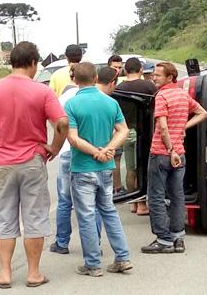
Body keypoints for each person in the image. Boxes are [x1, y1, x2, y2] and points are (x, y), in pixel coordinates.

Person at [0, 41, 68, 288]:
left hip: (4, 164)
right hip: (32, 161)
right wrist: (55, 147)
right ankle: (33, 274)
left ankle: (5, 274)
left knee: (4, 218)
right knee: (34, 217)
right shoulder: (42, 91)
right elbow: (61, 123)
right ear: (33, 63)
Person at [64, 62, 132, 276]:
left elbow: (73, 138)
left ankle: (93, 263)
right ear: (95, 78)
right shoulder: (111, 103)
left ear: (75, 80)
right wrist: (109, 149)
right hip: (106, 167)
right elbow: (123, 130)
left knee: (86, 216)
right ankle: (122, 257)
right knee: (109, 212)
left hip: (83, 167)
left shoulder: (71, 105)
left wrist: (94, 152)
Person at [141, 62, 207, 254]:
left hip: (162, 153)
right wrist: (183, 128)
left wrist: (170, 150)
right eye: (153, 75)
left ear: (170, 77)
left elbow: (162, 127)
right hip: (180, 153)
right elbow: (203, 113)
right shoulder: (182, 95)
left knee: (156, 196)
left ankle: (163, 239)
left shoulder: (161, 96)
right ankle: (178, 237)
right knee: (177, 196)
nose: (153, 78)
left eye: (158, 75)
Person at [50, 64, 102, 254]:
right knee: (94, 203)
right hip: (92, 154)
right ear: (94, 77)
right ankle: (94, 244)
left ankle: (62, 243)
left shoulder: (61, 100)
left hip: (66, 152)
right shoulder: (101, 98)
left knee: (65, 201)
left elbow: (57, 126)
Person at [116, 57, 158, 215]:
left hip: (126, 132)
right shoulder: (148, 85)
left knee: (131, 168)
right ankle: (142, 204)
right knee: (143, 167)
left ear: (125, 70)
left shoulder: (119, 88)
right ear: (140, 70)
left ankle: (133, 202)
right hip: (145, 132)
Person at [107, 54, 125, 194]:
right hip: (109, 129)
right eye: (115, 67)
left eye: (120, 67)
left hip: (119, 128)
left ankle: (116, 187)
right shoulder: (106, 87)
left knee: (116, 159)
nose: (118, 70)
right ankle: (114, 188)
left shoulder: (121, 85)